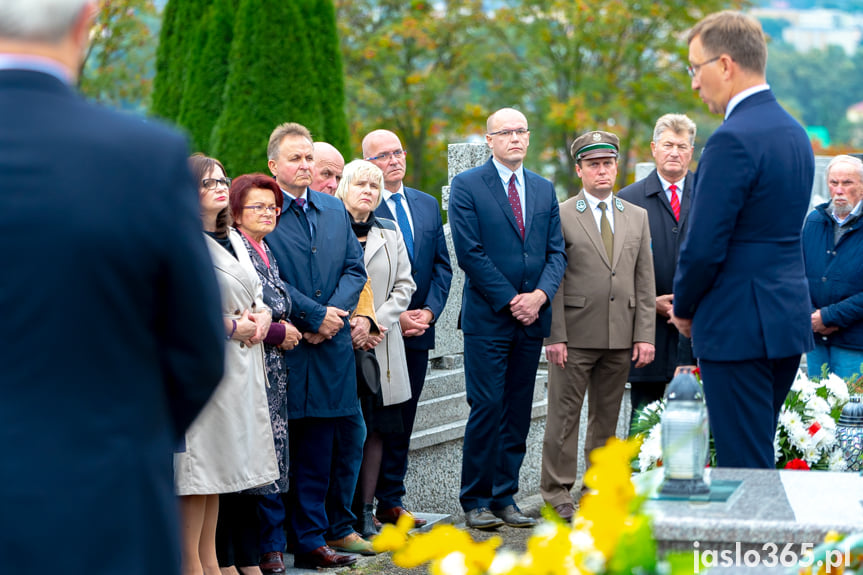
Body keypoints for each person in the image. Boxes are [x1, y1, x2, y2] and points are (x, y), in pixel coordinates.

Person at [0, 2, 225, 573]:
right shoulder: (144, 156)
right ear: (85, 24)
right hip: (103, 500)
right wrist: (128, 439)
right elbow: (196, 347)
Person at [670, 11, 815, 469]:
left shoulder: (731, 139)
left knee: (744, 466)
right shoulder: (795, 133)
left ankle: (761, 546)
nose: (694, 83)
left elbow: (704, 245)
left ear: (726, 65)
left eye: (696, 68)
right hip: (783, 321)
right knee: (757, 454)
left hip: (737, 325)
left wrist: (685, 308)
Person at [449, 108, 566, 530]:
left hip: (531, 317)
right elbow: (469, 252)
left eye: (521, 131)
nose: (515, 138)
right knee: (487, 406)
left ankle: (505, 496)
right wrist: (511, 299)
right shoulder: (467, 186)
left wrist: (538, 297)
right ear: (490, 140)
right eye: (506, 132)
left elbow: (556, 252)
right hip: (489, 318)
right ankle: (476, 499)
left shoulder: (542, 188)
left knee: (517, 409)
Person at [264, 122, 367, 569]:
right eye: (295, 158)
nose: (305, 165)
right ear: (273, 165)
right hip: (286, 346)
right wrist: (310, 315)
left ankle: (311, 538)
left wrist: (333, 317)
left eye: (309, 158)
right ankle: (271, 542)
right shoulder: (263, 211)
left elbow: (354, 269)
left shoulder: (332, 208)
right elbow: (267, 275)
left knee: (320, 448)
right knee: (279, 450)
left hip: (329, 349)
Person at [541, 131, 655, 520]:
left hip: (620, 334)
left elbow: (644, 278)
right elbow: (552, 277)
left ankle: (597, 490)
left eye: (607, 163)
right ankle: (557, 493)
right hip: (574, 334)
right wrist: (555, 335)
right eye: (593, 165)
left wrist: (644, 334)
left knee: (607, 419)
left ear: (616, 166)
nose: (602, 171)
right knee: (563, 418)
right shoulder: (561, 213)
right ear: (579, 170)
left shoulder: (636, 216)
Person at [179, 155, 279, 575]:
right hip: (204, 370)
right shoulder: (180, 240)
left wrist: (264, 317)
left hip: (242, 370)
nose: (220, 186)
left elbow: (257, 294)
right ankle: (192, 565)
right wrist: (234, 324)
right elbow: (177, 309)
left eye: (222, 179)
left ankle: (210, 561)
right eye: (207, 183)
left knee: (218, 476)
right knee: (196, 474)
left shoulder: (233, 237)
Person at [362, 129, 453, 528]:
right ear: (367, 162)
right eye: (383, 155)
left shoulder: (426, 204)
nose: (395, 160)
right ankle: (361, 503)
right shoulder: (362, 204)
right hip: (378, 329)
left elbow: (441, 266)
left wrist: (429, 313)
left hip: (418, 330)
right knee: (377, 419)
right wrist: (394, 315)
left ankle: (392, 500)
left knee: (406, 417)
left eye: (397, 152)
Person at [335, 159, 416, 542]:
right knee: (346, 429)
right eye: (360, 184)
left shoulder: (390, 231)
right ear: (344, 187)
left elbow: (405, 285)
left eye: (375, 185)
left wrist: (373, 321)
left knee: (378, 430)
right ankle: (341, 514)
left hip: (382, 343)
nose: (368, 191)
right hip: (340, 339)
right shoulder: (331, 228)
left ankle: (366, 513)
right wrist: (354, 323)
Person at [228, 174, 303, 574]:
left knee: (271, 458)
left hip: (272, 366)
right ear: (236, 212)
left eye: (272, 206)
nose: (268, 212)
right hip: (250, 359)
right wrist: (278, 330)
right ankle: (259, 551)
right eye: (257, 206)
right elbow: (250, 307)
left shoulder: (266, 247)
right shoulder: (237, 246)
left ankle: (265, 547)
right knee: (254, 461)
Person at [617, 114, 696, 424]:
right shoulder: (629, 199)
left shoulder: (711, 195)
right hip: (646, 330)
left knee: (695, 426)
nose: (674, 152)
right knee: (643, 423)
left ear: (691, 151)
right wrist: (651, 302)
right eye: (667, 145)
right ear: (654, 148)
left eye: (682, 146)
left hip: (698, 329)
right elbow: (618, 268)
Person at [803, 155, 863, 379]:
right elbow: (797, 275)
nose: (839, 190)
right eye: (834, 183)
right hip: (815, 339)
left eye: (847, 183)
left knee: (851, 411)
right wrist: (812, 317)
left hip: (854, 343)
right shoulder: (814, 221)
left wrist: (830, 317)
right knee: (815, 410)